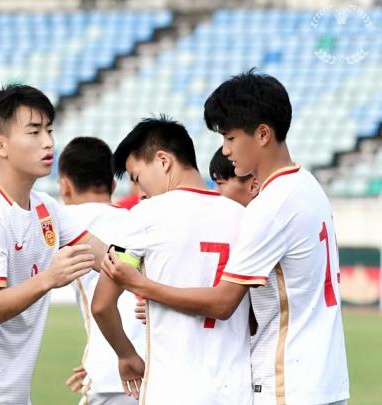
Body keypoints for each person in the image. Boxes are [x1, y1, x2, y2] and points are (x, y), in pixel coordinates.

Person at [102, 71, 349, 405]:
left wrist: (143, 286)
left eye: (230, 138)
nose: (226, 150)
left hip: (287, 383)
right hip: (326, 379)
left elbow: (222, 303)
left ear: (262, 134)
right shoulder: (307, 185)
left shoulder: (270, 206)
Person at [0, 85, 109, 404]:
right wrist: (48, 278)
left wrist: (149, 272)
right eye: (34, 131)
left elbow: (106, 257)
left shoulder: (46, 207)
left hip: (15, 394)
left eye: (49, 130)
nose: (48, 142)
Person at [92, 117, 252, 404]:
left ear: (163, 161)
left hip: (172, 389)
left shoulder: (145, 215)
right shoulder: (243, 216)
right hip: (236, 390)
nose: (140, 191)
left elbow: (102, 305)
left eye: (137, 177)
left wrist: (127, 356)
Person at [58, 137, 144, 405]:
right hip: (155, 368)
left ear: (64, 186)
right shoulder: (139, 219)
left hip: (113, 373)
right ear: (113, 185)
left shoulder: (64, 223)